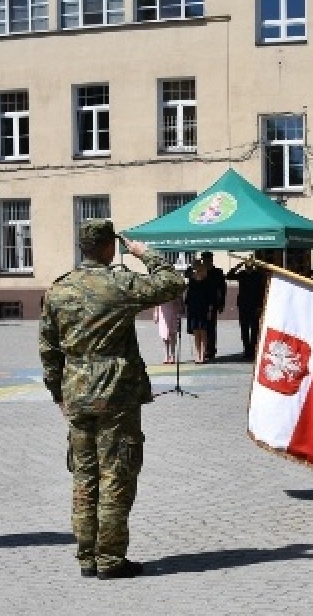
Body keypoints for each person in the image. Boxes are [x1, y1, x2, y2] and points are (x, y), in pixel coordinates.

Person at [39, 220, 185, 579]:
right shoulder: (119, 283)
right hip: (114, 393)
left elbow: (48, 347)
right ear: (109, 247)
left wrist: (57, 391)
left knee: (84, 476)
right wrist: (142, 253)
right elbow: (173, 282)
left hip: (76, 391)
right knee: (116, 474)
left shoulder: (58, 290)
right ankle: (110, 559)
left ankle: (87, 556)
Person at [233, 261, 268, 361]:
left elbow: (261, 291)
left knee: (254, 329)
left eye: (250, 266)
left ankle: (253, 351)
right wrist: (238, 266)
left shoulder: (258, 275)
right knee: (244, 329)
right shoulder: (242, 274)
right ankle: (247, 350)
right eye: (247, 266)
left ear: (253, 266)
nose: (249, 268)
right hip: (243, 305)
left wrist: (260, 306)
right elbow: (229, 276)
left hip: (254, 306)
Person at [184, 258, 216, 364]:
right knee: (196, 332)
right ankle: (197, 354)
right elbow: (186, 274)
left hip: (204, 309)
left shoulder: (208, 281)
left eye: (199, 267)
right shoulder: (192, 280)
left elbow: (211, 297)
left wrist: (210, 310)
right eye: (195, 266)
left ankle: (203, 355)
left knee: (203, 332)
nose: (197, 269)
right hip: (193, 309)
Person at [200, 251, 227, 361]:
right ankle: (203, 349)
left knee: (211, 327)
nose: (206, 261)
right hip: (200, 303)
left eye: (208, 259)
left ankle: (211, 350)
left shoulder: (217, 272)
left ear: (211, 260)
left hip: (213, 303)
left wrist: (222, 303)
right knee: (201, 328)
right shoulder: (200, 272)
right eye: (204, 259)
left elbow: (222, 289)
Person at [153, 295, 182, 364]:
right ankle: (166, 355)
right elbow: (156, 300)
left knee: (172, 333)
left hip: (173, 309)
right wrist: (156, 312)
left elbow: (179, 299)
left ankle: (172, 355)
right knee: (164, 334)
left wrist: (180, 307)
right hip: (163, 312)